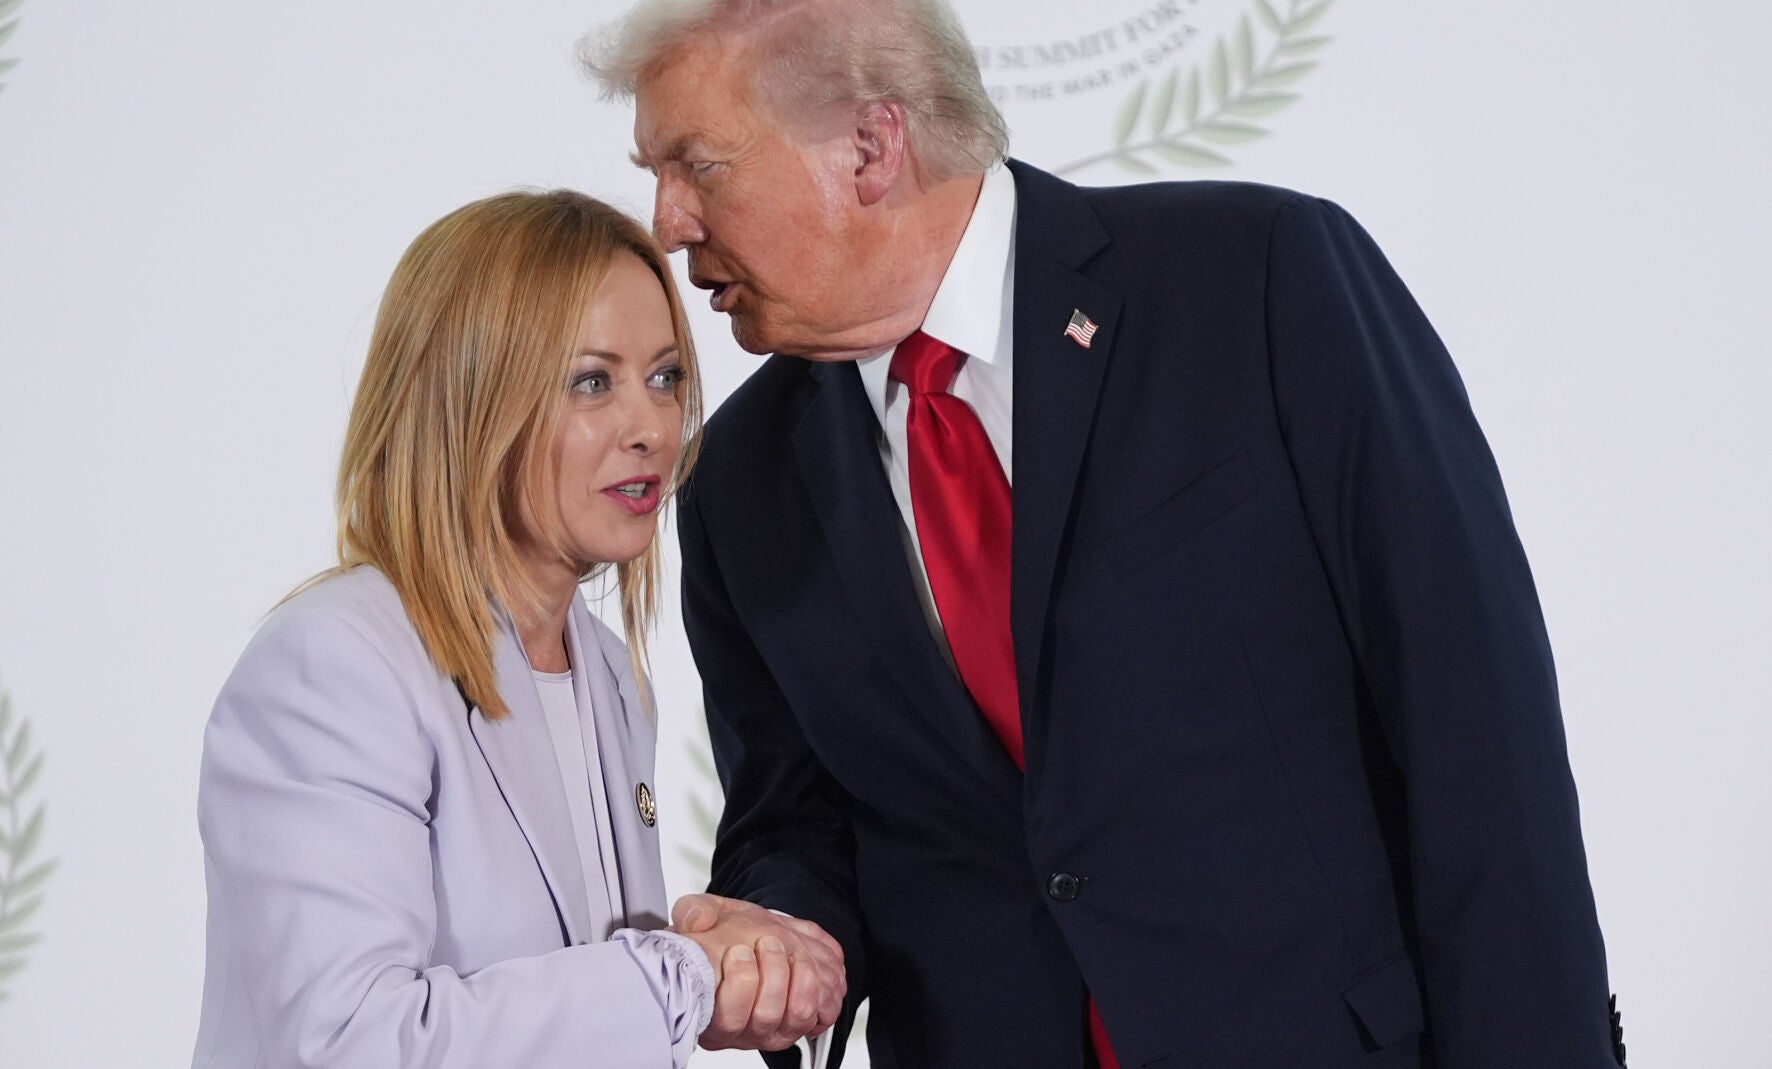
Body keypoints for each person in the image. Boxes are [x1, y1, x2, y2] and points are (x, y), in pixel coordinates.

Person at [580, 2, 1626, 1066]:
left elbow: (1472, 722)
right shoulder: (737, 480)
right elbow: (795, 821)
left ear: (869, 147)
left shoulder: (1259, 279)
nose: (667, 223)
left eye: (697, 166)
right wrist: (773, 931)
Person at [190, 189, 845, 1068]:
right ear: (470, 400)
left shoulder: (604, 669)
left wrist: (732, 958)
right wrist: (682, 976)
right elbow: (349, 1040)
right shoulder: (336, 663)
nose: (651, 428)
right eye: (592, 381)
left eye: (664, 378)